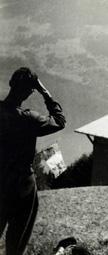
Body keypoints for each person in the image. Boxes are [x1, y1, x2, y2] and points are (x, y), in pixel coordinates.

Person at [0, 67, 66, 255]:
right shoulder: (29, 119)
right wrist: (44, 92)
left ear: (11, 84)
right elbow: (60, 121)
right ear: (30, 92)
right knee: (16, 243)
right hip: (23, 186)